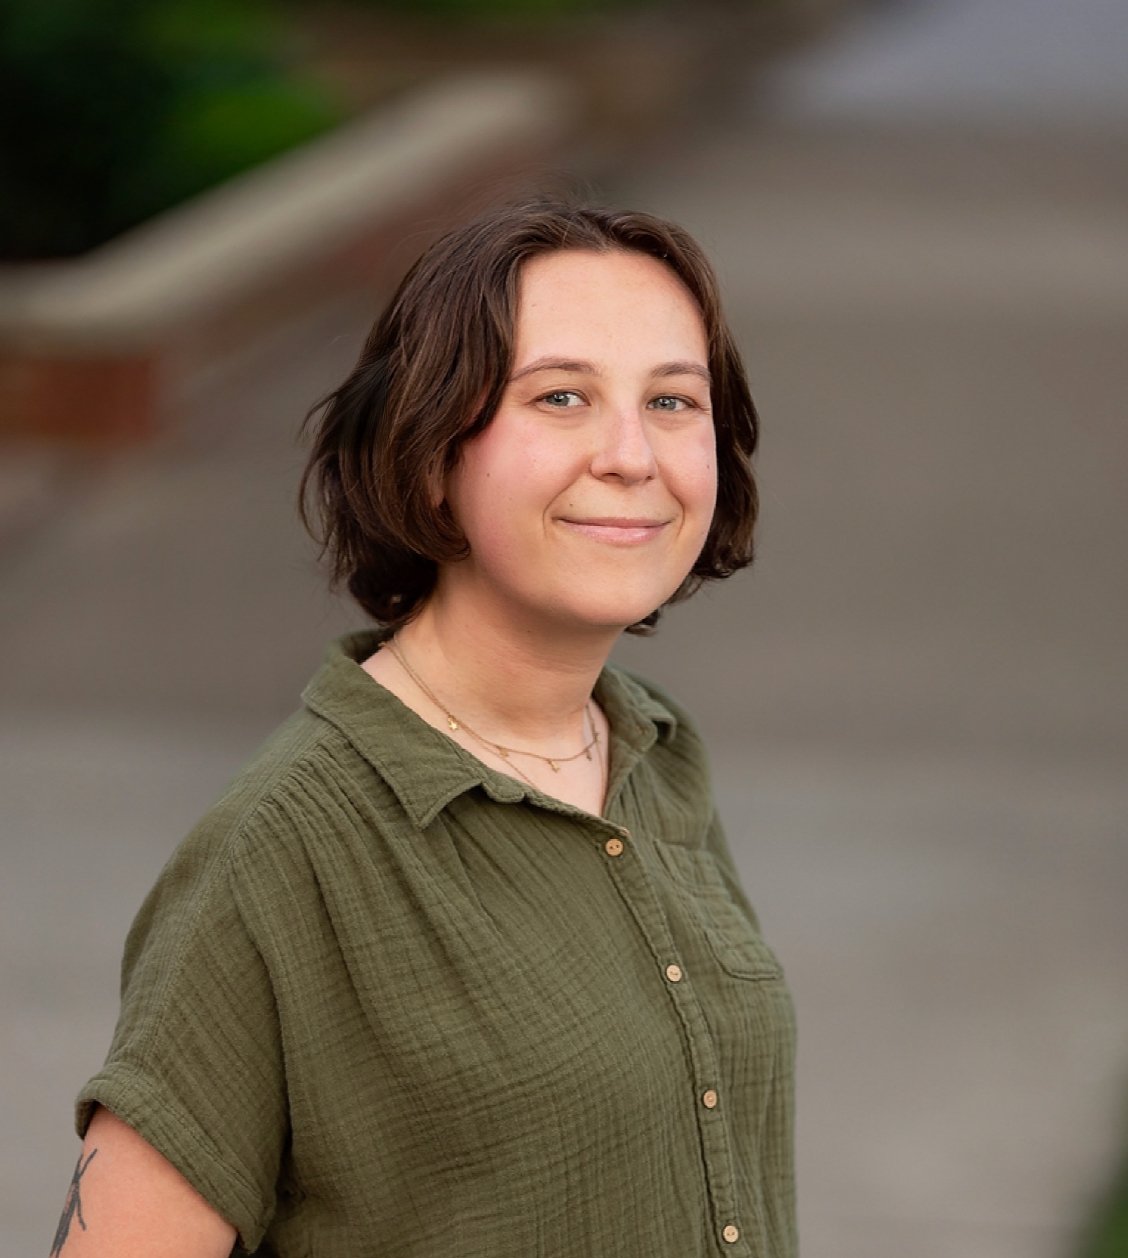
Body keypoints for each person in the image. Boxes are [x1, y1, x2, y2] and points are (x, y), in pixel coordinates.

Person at [54, 199, 796, 1257]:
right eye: (562, 396)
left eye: (674, 401)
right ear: (431, 447)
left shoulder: (654, 757)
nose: (632, 454)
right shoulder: (286, 846)